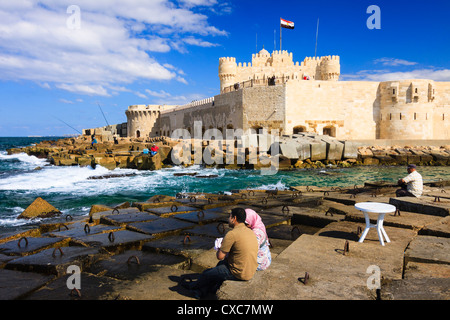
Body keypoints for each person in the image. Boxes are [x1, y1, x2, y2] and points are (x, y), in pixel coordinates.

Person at [181, 208, 258, 299]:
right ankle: (201, 291)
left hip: (238, 273)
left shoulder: (232, 234)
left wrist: (219, 247)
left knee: (207, 274)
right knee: (218, 268)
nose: (228, 219)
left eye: (229, 216)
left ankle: (192, 286)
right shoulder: (250, 232)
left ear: (234, 218)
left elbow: (220, 256)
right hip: (250, 271)